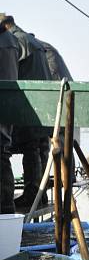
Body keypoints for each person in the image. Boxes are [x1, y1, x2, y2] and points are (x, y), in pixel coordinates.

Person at [0, 14, 53, 209]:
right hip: (42, 101)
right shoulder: (33, 41)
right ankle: (39, 195)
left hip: (27, 101)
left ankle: (31, 196)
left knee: (29, 148)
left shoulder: (15, 40)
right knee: (40, 147)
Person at [0, 21, 20, 213]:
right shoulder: (13, 41)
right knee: (4, 152)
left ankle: (6, 206)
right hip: (9, 101)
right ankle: (7, 206)